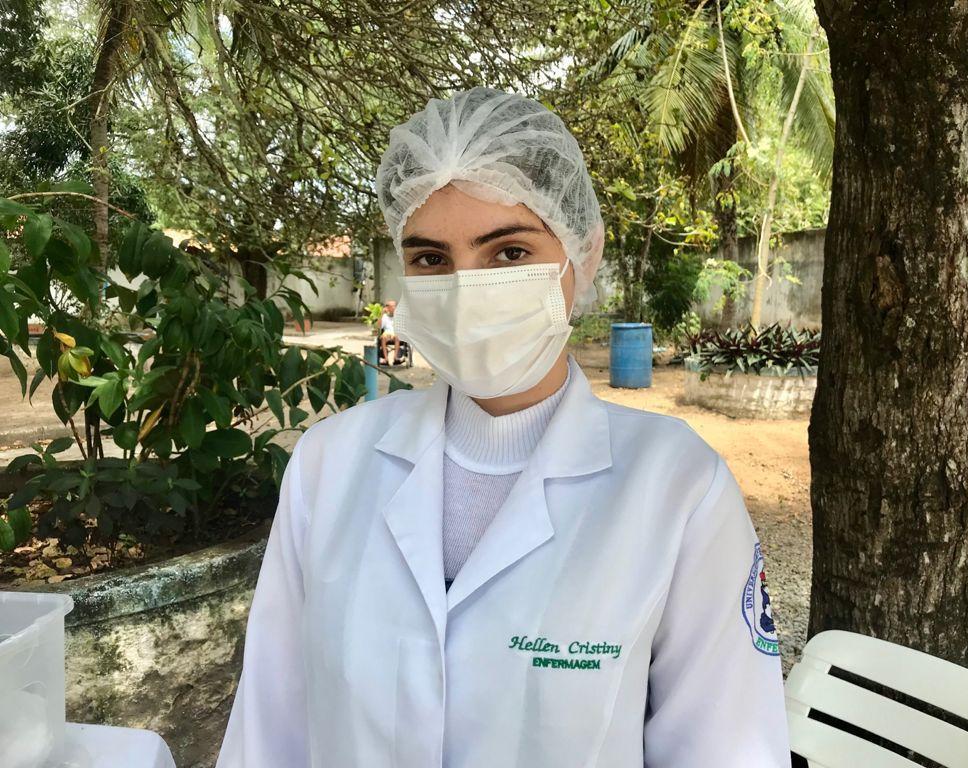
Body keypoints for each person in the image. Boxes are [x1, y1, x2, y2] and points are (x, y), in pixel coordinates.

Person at [215, 86, 791, 767]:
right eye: (432, 259)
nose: (466, 291)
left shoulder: (678, 488)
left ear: (581, 255)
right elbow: (270, 727)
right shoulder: (328, 465)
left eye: (510, 252)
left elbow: (727, 748)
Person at [377, 299, 401, 365]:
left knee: (397, 337)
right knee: (383, 338)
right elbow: (379, 326)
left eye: (395, 306)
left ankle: (395, 358)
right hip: (386, 333)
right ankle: (386, 359)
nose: (394, 308)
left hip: (396, 334)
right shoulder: (384, 317)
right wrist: (381, 314)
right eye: (392, 306)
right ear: (387, 308)